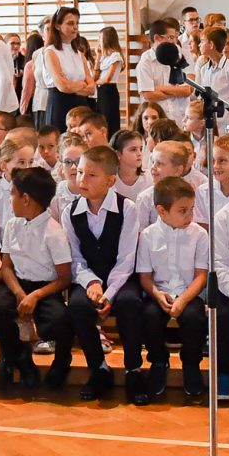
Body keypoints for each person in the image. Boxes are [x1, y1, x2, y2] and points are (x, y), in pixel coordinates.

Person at [64, 144, 146, 404]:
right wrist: (91, 282)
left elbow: (127, 259)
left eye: (91, 175)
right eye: (80, 173)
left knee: (130, 303)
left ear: (110, 181)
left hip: (122, 277)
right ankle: (99, 368)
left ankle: (133, 369)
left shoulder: (128, 208)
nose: (82, 180)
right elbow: (75, 258)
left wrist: (108, 294)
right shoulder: (70, 212)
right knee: (78, 305)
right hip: (89, 278)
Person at [0, 165, 72, 390]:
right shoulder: (13, 225)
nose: (9, 199)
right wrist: (19, 293)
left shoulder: (54, 232)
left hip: (45, 286)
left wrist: (36, 296)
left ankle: (62, 361)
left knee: (60, 321)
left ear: (26, 199)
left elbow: (64, 278)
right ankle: (20, 356)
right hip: (16, 283)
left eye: (12, 194)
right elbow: (6, 267)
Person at [134, 175, 210, 402]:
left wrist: (184, 300)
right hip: (160, 293)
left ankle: (191, 363)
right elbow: (145, 277)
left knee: (195, 318)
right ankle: (159, 361)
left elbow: (201, 275)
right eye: (182, 211)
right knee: (149, 316)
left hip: (189, 293)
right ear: (161, 211)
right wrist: (157, 295)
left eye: (192, 209)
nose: (190, 216)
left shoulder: (199, 235)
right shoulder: (148, 236)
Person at [94, 26, 124, 133]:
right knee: (101, 119)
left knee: (109, 120)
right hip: (101, 91)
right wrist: (98, 56)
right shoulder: (104, 57)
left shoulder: (116, 56)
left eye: (100, 38)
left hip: (109, 90)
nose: (98, 41)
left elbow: (107, 78)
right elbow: (96, 74)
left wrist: (93, 83)